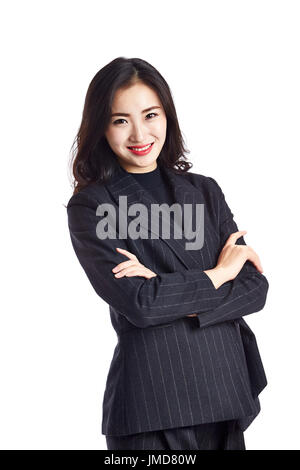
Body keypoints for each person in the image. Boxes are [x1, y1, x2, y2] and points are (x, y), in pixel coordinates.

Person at [66, 57, 269, 450]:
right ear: (101, 128)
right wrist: (219, 274)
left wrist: (168, 291)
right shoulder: (93, 206)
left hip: (226, 390)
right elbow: (140, 302)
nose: (139, 133)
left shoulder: (205, 190)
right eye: (120, 120)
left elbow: (255, 288)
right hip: (153, 405)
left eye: (150, 115)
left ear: (167, 116)